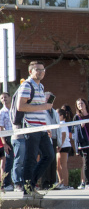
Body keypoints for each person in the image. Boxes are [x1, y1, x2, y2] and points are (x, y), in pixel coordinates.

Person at [17, 61, 55, 199]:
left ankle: (31, 185)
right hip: (31, 128)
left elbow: (41, 109)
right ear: (30, 72)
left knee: (49, 155)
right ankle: (27, 190)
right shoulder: (26, 85)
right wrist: (44, 107)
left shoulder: (40, 86)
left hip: (42, 128)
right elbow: (21, 106)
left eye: (42, 69)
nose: (40, 72)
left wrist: (47, 126)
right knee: (30, 159)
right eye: (37, 70)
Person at [55, 108, 74, 189]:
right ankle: (61, 182)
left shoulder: (63, 123)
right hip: (59, 146)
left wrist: (60, 146)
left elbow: (63, 135)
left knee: (63, 165)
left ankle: (66, 184)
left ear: (62, 116)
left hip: (64, 146)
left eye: (57, 115)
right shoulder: (57, 123)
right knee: (58, 166)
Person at [0, 92, 14, 192]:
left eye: (5, 97)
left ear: (10, 97)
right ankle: (7, 183)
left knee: (20, 159)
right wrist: (4, 143)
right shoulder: (1, 112)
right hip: (8, 137)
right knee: (9, 161)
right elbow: (1, 128)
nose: (4, 99)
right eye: (1, 98)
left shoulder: (15, 109)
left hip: (18, 135)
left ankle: (20, 182)